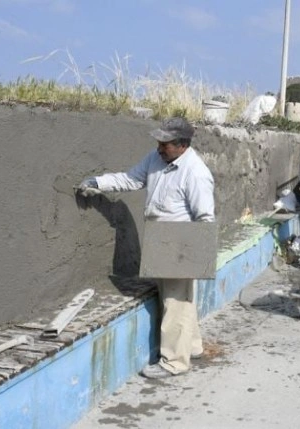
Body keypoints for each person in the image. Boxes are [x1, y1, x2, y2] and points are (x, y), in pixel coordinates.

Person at [77, 117, 214, 379]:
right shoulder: (156, 159)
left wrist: (194, 259)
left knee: (176, 302)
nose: (160, 148)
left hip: (180, 240)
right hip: (160, 236)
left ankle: (174, 362)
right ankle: (192, 347)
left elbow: (205, 218)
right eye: (159, 142)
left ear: (182, 145)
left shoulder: (195, 172)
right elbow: (131, 180)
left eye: (166, 144)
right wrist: (99, 182)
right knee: (177, 298)